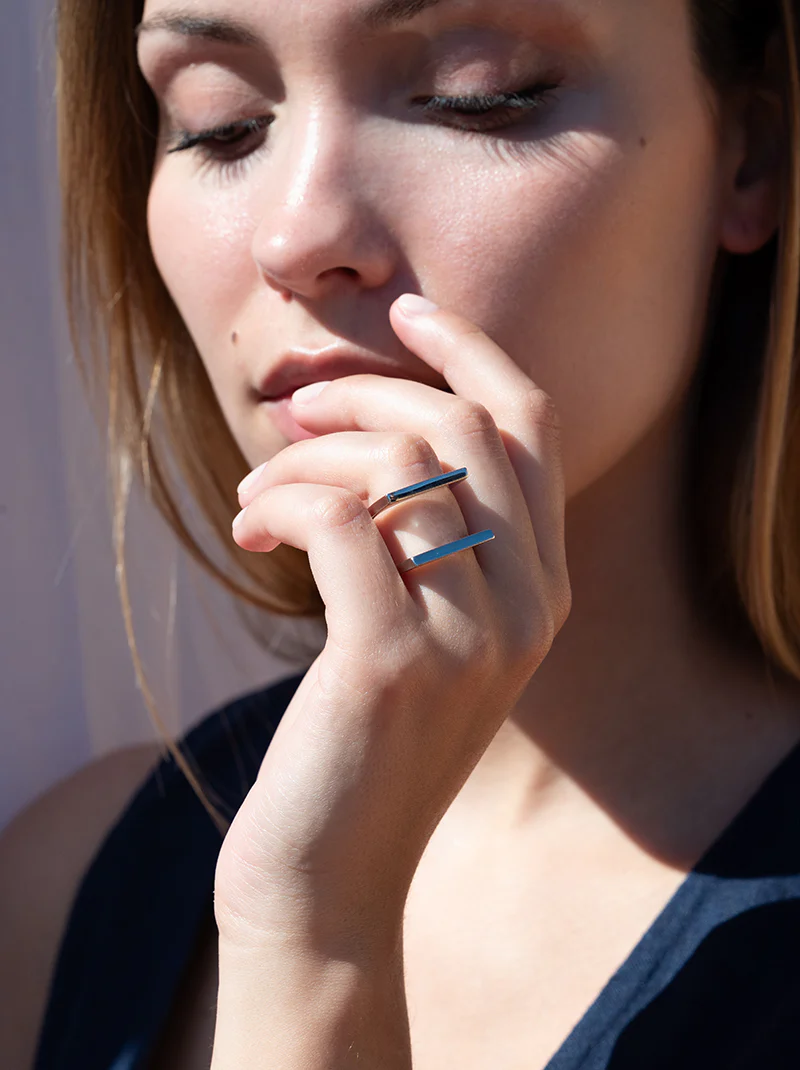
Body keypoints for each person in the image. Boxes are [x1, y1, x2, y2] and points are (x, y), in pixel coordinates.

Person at [3, 0, 800, 1066]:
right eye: (220, 124)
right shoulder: (65, 892)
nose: (295, 237)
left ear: (751, 151)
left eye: (477, 96)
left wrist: (318, 947)